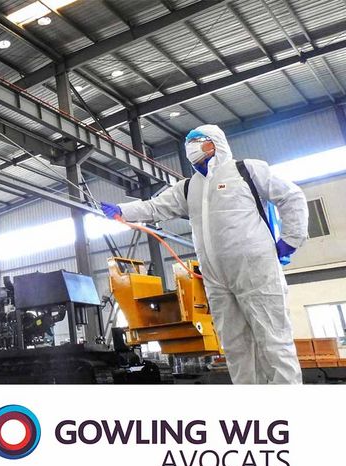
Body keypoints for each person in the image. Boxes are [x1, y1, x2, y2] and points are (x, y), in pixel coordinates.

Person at [101, 124, 308, 384]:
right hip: (215, 277)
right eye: (189, 142)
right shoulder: (189, 188)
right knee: (235, 345)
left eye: (198, 140)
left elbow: (291, 196)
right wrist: (122, 210)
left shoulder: (245, 170)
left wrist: (290, 239)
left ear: (215, 143)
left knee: (273, 338)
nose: (192, 146)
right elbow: (155, 207)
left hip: (255, 268)